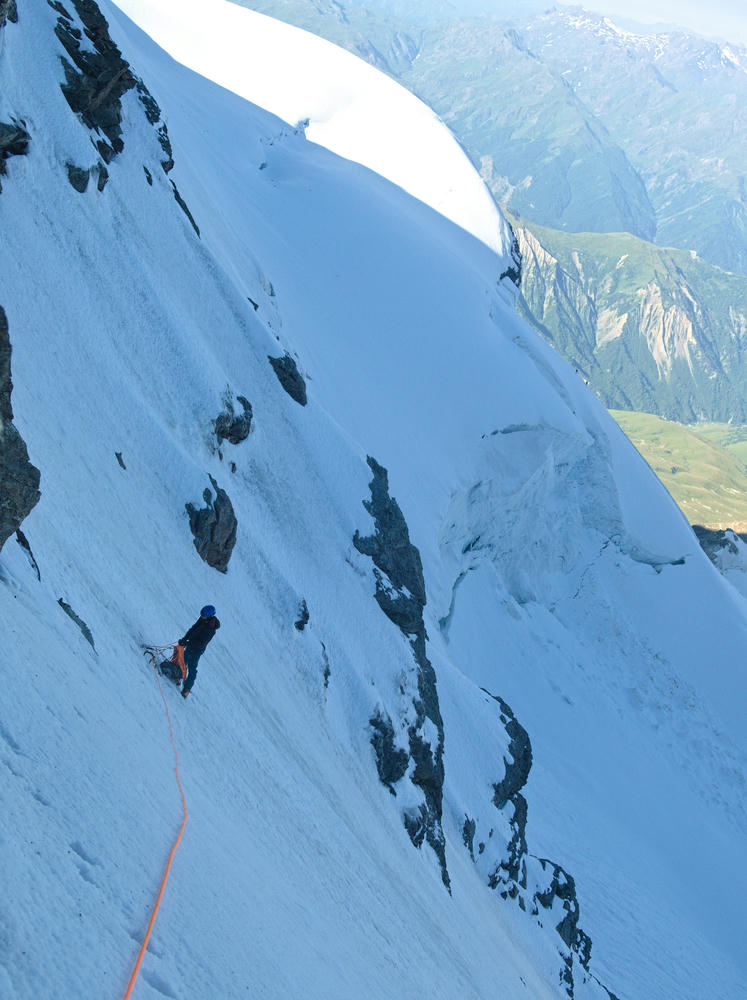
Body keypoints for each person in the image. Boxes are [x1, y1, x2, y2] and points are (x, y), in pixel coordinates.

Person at [178, 605, 220, 698]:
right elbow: (193, 629)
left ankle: (187, 689)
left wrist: (187, 643)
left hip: (198, 648)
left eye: (203, 615)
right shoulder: (202, 619)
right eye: (201, 614)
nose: (201, 616)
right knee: (183, 659)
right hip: (191, 643)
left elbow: (201, 643)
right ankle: (178, 676)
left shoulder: (211, 629)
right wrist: (185, 639)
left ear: (209, 616)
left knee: (192, 666)